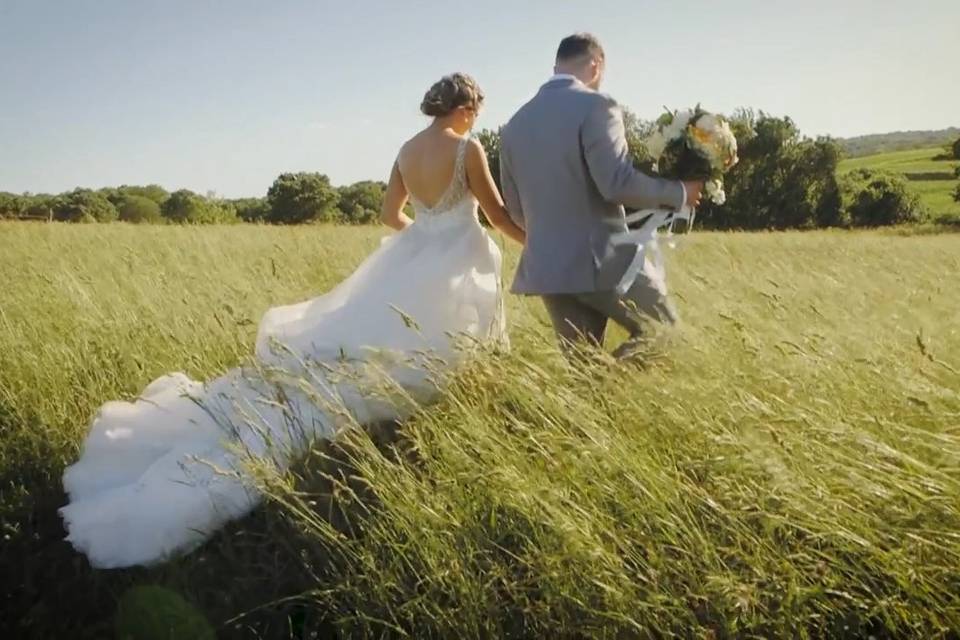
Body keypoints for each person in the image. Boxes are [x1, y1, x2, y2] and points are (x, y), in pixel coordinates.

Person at [60, 73, 523, 569]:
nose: (477, 116)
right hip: (457, 265)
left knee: (382, 355)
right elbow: (495, 214)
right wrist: (532, 242)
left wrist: (424, 239)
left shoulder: (407, 150)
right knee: (439, 356)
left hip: (413, 261)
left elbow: (391, 214)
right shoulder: (467, 148)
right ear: (468, 106)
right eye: (477, 108)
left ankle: (383, 440)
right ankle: (415, 448)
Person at [500, 33, 703, 359]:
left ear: (556, 67)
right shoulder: (598, 105)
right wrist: (679, 192)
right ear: (595, 66)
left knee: (585, 375)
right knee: (666, 334)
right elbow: (617, 183)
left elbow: (515, 210)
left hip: (548, 268)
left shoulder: (513, 126)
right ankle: (616, 381)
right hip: (603, 260)